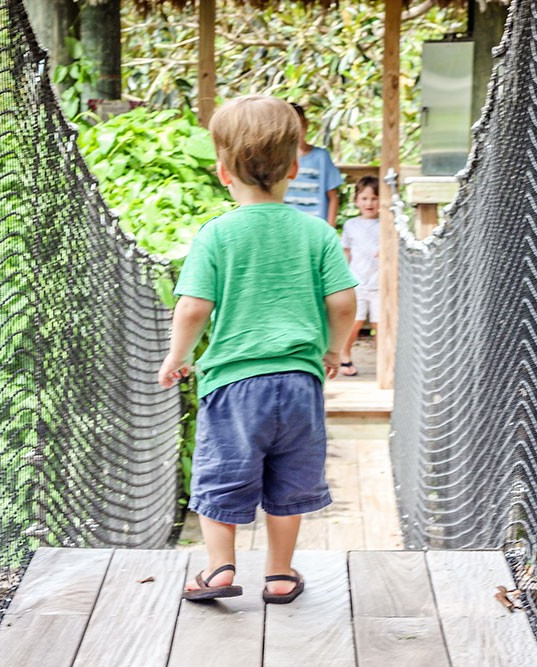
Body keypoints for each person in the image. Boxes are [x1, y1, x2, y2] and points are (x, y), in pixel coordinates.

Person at [157, 95, 358, 604]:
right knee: (290, 479)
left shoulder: (216, 234)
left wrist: (177, 357)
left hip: (233, 383)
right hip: (298, 382)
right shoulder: (317, 232)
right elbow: (343, 301)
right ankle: (280, 574)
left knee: (221, 472)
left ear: (222, 172)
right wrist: (334, 351)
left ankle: (220, 570)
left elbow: (193, 309)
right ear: (295, 167)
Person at [339, 176, 381, 377]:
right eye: (364, 198)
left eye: (374, 198)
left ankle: (384, 361)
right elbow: (346, 252)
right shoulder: (351, 225)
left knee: (380, 324)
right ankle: (345, 355)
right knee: (354, 322)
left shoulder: (387, 224)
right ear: (356, 200)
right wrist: (342, 280)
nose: (369, 203)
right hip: (357, 283)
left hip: (381, 284)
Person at [283, 103, 343, 226]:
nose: (296, 131)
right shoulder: (279, 159)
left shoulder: (321, 156)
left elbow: (333, 197)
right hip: (287, 225)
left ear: (306, 125)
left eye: (300, 126)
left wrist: (330, 226)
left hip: (316, 225)